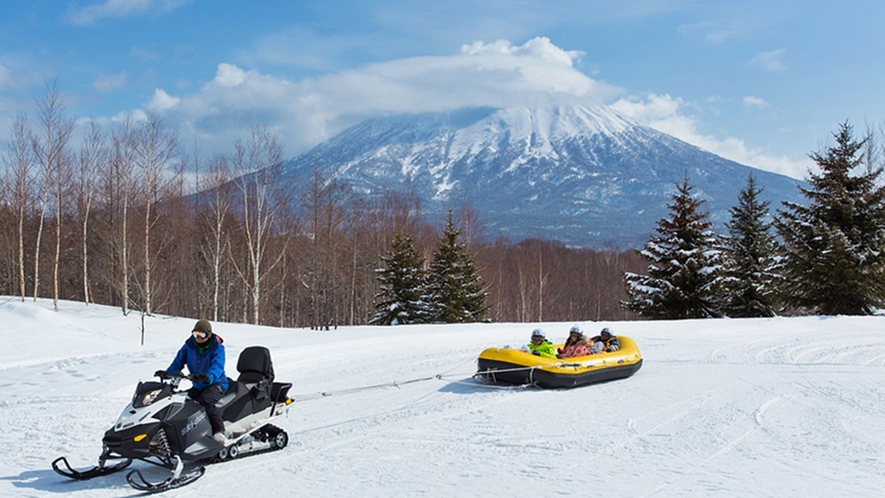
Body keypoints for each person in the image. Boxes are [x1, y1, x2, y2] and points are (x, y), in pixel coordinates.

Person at [156, 319, 229, 443]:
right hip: (199, 385)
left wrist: (209, 376)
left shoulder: (217, 348)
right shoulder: (189, 346)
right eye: (196, 334)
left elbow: (218, 366)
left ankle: (218, 431)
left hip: (217, 383)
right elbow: (178, 362)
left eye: (202, 335)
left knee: (206, 400)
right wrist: (168, 374)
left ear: (209, 335)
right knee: (182, 401)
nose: (198, 338)